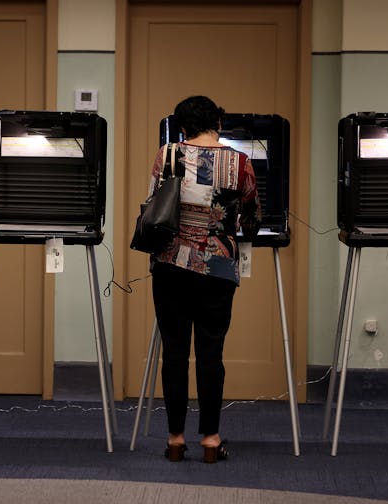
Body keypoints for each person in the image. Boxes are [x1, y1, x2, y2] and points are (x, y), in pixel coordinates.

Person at [149, 96, 261, 463]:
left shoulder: (167, 155)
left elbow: (154, 205)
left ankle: (176, 440)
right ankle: (211, 440)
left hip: (170, 265)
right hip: (217, 268)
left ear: (182, 127)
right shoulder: (240, 162)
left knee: (175, 353)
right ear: (218, 122)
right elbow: (252, 217)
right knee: (211, 353)